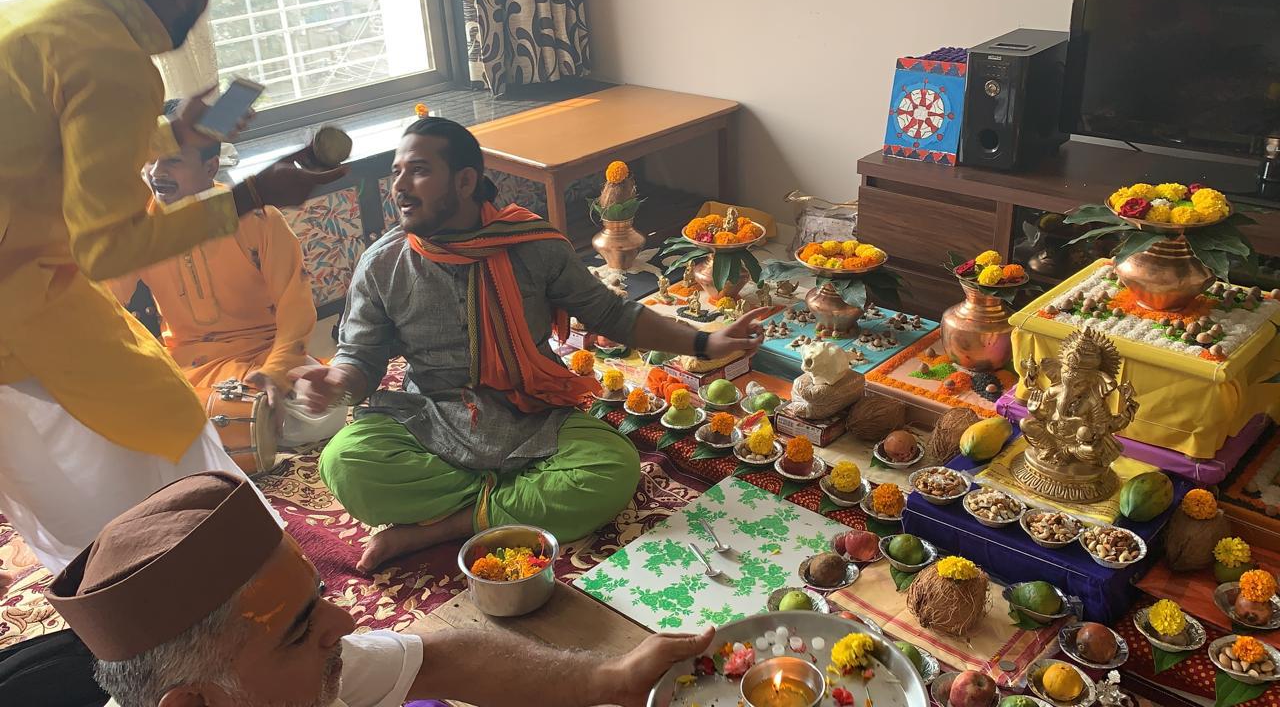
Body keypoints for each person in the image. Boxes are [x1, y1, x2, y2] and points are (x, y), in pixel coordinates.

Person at [294, 117, 765, 572]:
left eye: (417, 171)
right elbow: (361, 357)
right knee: (345, 463)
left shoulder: (532, 244)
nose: (398, 187)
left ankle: (444, 524)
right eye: (396, 172)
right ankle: (512, 500)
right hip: (430, 415)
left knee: (613, 469)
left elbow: (612, 314)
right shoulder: (384, 263)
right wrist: (334, 383)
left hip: (530, 414)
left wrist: (705, 341)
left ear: (464, 181)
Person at [0, 0, 344, 571]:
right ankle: (195, 574)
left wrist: (278, 370)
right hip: (30, 311)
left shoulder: (38, 14)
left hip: (245, 353)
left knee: (69, 461)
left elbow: (55, 146)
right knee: (164, 428)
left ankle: (124, 581)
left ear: (210, 166)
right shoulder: (109, 57)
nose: (202, 6)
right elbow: (107, 255)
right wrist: (250, 194)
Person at [45, 472, 713, 707]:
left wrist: (610, 680)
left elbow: (442, 658)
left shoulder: (282, 685)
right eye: (300, 628)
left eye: (318, 597)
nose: (343, 619)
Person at [109, 99, 348, 448]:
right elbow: (106, 301)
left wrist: (276, 371)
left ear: (210, 168)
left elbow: (295, 309)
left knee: (326, 410)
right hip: (188, 362)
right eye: (150, 158)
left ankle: (218, 430)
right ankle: (230, 428)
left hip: (263, 354)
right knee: (111, 407)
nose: (156, 171)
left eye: (172, 160)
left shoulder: (258, 218)